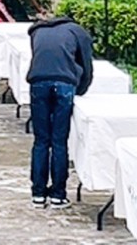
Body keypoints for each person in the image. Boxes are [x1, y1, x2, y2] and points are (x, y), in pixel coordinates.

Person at [25, 12, 94, 208]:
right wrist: (80, 89)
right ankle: (58, 194)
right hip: (64, 85)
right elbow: (86, 66)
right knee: (59, 141)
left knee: (41, 140)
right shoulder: (77, 31)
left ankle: (38, 193)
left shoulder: (36, 31)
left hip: (38, 83)